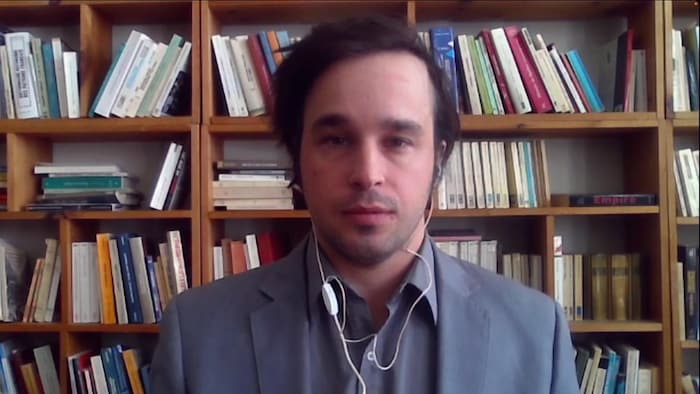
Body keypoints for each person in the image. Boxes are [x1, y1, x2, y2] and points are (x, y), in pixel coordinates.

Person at [151, 16, 579, 394]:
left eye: (398, 141)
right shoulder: (197, 333)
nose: (367, 173)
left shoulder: (536, 333)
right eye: (336, 140)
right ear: (297, 155)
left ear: (439, 158)